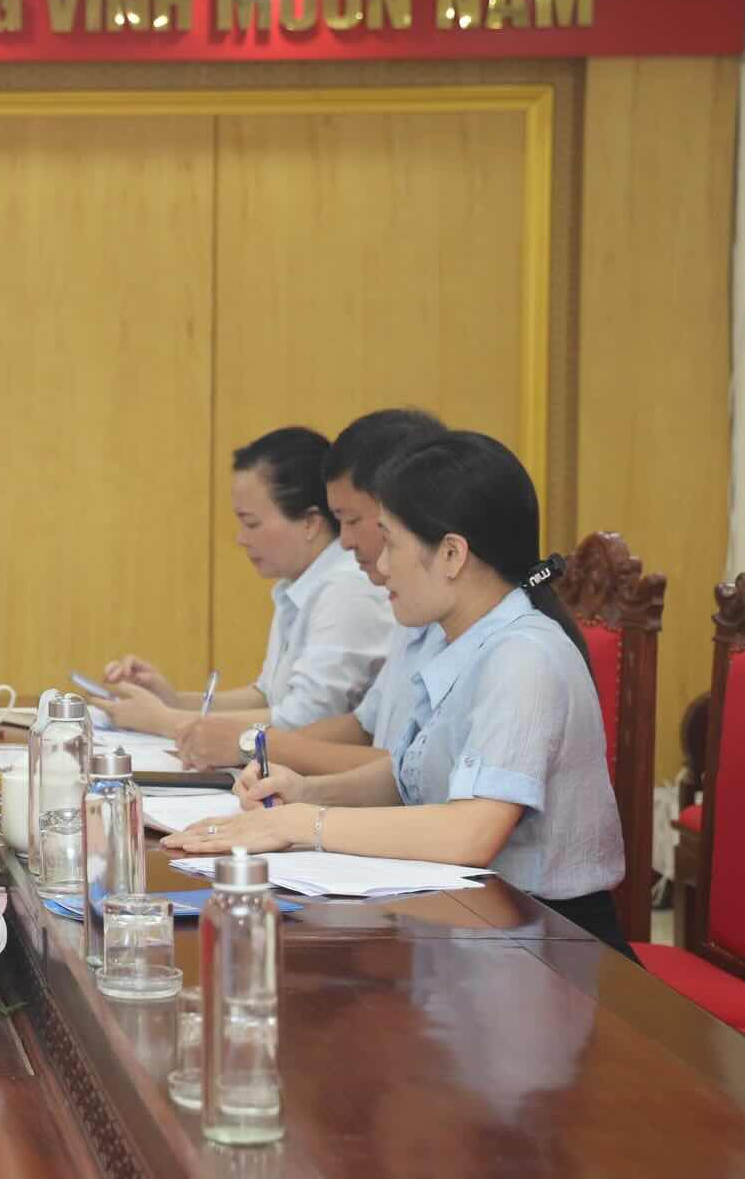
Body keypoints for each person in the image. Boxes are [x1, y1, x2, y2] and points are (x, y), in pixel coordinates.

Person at [164, 431, 631, 958]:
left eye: (391, 543)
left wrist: (302, 824)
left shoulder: (523, 657)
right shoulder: (465, 643)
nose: (380, 567)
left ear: (452, 553)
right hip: (473, 924)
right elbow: (413, 773)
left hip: (549, 944)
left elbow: (469, 833)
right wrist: (306, 793)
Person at [176, 409, 444, 771]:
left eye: (353, 521)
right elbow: (364, 729)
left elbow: (405, 775)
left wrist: (252, 746)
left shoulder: (354, 587)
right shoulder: (413, 611)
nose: (345, 542)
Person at [95, 426, 394, 737]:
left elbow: (306, 718)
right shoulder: (296, 585)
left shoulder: (349, 587)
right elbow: (267, 696)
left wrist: (165, 720)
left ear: (310, 522)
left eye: (251, 523)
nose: (241, 539)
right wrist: (172, 701)